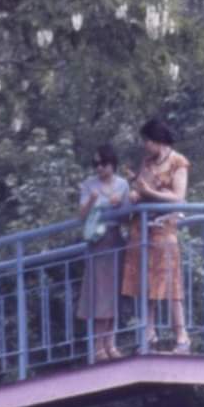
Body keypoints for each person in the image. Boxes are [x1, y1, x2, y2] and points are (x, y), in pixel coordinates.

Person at [121, 117, 191, 353]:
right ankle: (148, 334)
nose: (145, 146)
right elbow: (141, 189)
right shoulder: (148, 162)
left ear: (158, 141)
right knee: (145, 283)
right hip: (142, 228)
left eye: (147, 141)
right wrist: (134, 194)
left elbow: (179, 197)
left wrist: (150, 192)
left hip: (164, 228)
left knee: (171, 282)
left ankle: (181, 336)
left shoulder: (178, 162)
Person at [77, 143, 131, 360]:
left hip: (115, 239)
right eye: (95, 164)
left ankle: (111, 343)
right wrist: (92, 199)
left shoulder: (122, 184)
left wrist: (120, 206)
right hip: (97, 242)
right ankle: (98, 345)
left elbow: (128, 217)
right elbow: (81, 216)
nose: (99, 168)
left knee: (114, 293)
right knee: (100, 293)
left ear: (112, 164)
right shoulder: (89, 185)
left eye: (103, 164)